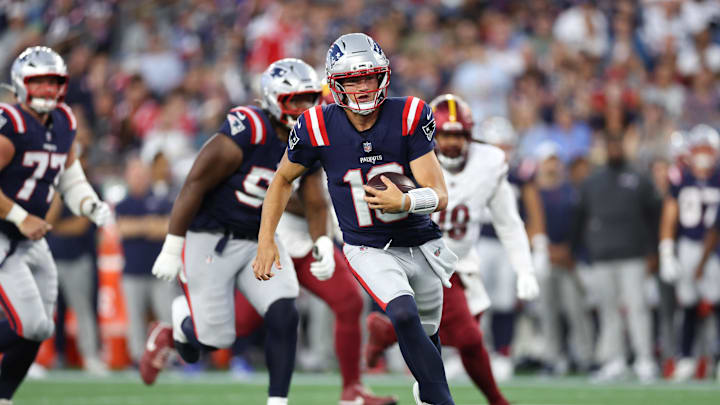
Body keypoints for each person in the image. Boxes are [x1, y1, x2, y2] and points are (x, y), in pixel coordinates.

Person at [254, 33, 458, 405]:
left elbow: (440, 194)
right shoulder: (316, 125)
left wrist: (408, 200)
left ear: (384, 76)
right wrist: (266, 238)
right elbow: (283, 179)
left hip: (422, 242)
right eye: (353, 79)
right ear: (335, 83)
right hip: (368, 246)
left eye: (369, 77)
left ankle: (428, 392)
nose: (363, 87)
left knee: (426, 332)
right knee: (402, 313)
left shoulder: (410, 114)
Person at [139, 58, 328, 405]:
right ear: (273, 100)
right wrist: (172, 246)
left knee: (285, 311)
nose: (304, 109)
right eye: (295, 100)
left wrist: (323, 243)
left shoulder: (310, 137)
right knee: (212, 342)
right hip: (212, 238)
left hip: (261, 238)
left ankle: (277, 401)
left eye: (309, 99)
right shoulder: (250, 129)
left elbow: (314, 201)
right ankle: (176, 328)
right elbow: (194, 184)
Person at [363, 94, 541, 405]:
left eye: (458, 135)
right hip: (419, 255)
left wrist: (524, 268)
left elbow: (508, 222)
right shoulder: (410, 157)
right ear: (433, 133)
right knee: (468, 337)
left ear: (470, 135)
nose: (451, 142)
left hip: (461, 264)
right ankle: (488, 400)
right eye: (445, 134)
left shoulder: (489, 163)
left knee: (468, 343)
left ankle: (389, 332)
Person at [0, 46, 112, 403]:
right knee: (28, 324)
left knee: (40, 328)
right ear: (21, 83)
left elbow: (69, 174)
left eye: (54, 81)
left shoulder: (65, 121)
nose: (48, 89)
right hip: (4, 234)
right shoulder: (10, 124)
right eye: (39, 81)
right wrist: (20, 216)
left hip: (30, 239)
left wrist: (89, 203)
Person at [235, 177, 398, 404]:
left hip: (313, 241)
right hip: (274, 243)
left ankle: (352, 390)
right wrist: (324, 210)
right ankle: (175, 335)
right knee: (237, 324)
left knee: (350, 301)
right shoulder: (284, 146)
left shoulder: (338, 144)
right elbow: (282, 193)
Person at [572, 133, 661, 382]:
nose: (613, 149)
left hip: (633, 254)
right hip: (602, 255)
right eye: (609, 145)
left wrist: (653, 250)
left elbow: (654, 217)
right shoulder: (592, 182)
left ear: (623, 147)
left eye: (617, 145)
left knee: (637, 308)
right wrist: (578, 252)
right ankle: (615, 360)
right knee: (608, 311)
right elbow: (579, 219)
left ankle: (644, 359)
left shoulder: (639, 179)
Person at [474, 115, 550, 380]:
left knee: (505, 299)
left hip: (507, 243)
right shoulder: (471, 169)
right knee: (475, 299)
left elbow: (533, 209)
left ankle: (503, 353)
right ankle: (472, 353)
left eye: (505, 146)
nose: (501, 153)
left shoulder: (519, 174)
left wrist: (538, 246)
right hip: (478, 240)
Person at [660, 124, 720, 381]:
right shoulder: (681, 177)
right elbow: (670, 214)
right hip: (687, 245)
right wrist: (666, 250)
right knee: (688, 305)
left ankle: (715, 359)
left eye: (708, 148)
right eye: (699, 148)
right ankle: (686, 357)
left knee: (717, 304)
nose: (703, 154)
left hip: (716, 250)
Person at [532, 141, 593, 374]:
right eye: (548, 160)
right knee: (547, 311)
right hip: (543, 257)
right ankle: (552, 357)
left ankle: (584, 355)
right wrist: (546, 250)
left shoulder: (571, 191)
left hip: (570, 258)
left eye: (555, 160)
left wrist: (570, 250)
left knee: (576, 309)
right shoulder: (533, 191)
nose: (553, 165)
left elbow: (580, 226)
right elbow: (526, 223)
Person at [115, 157, 176, 365]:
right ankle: (138, 358)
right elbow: (122, 228)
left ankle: (172, 357)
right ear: (128, 177)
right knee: (135, 319)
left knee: (167, 315)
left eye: (142, 174)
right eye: (135, 175)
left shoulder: (161, 200)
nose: (139, 179)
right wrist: (149, 225)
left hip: (160, 271)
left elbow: (168, 227)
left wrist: (138, 227)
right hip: (133, 271)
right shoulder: (123, 203)